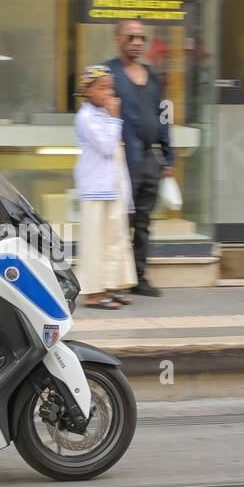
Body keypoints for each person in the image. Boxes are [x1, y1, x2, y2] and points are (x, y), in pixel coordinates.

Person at [108, 19, 175, 298]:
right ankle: (115, 279)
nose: (137, 43)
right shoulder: (108, 73)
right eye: (131, 37)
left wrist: (168, 158)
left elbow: (162, 117)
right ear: (118, 39)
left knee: (144, 222)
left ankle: (139, 276)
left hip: (149, 158)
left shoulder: (152, 76)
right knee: (119, 221)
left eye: (141, 38)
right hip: (121, 159)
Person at [73, 65, 137, 310]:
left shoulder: (101, 115)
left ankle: (110, 286)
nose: (108, 93)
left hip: (111, 186)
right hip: (95, 188)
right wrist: (115, 118)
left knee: (114, 239)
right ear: (87, 90)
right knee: (95, 242)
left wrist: (111, 118)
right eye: (102, 88)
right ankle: (93, 293)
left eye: (110, 87)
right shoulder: (86, 117)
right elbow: (107, 146)